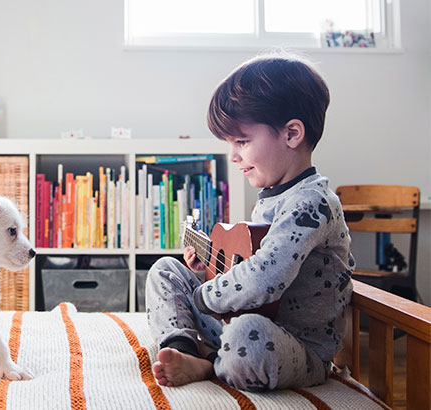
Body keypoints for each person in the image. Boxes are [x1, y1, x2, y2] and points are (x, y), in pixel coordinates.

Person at [146, 53, 354, 391]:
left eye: (241, 141)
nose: (233, 155)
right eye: (230, 144)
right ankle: (183, 349)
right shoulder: (270, 198)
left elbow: (264, 279)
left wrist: (201, 296)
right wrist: (209, 268)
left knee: (248, 335)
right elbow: (248, 268)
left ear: (291, 134)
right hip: (245, 322)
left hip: (294, 348)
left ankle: (211, 364)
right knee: (164, 271)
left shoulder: (311, 203)